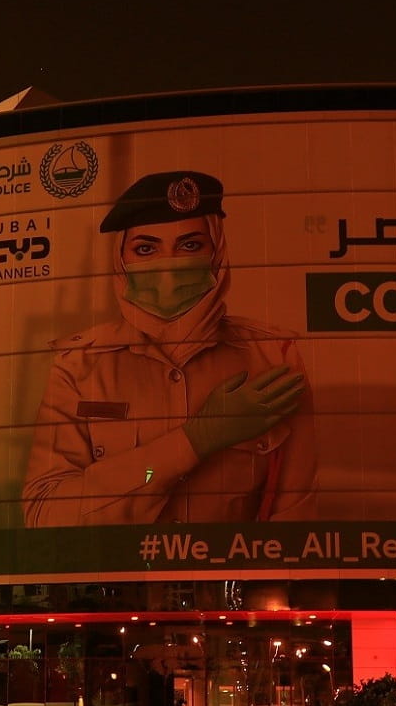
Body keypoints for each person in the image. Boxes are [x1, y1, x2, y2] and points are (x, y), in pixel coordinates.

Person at [21, 171, 317, 527]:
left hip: (231, 580)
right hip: (115, 581)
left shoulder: (272, 355)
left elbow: (294, 518)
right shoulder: (79, 366)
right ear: (121, 260)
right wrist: (196, 439)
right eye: (146, 249)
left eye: (190, 245)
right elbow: (47, 516)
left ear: (217, 252)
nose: (169, 264)